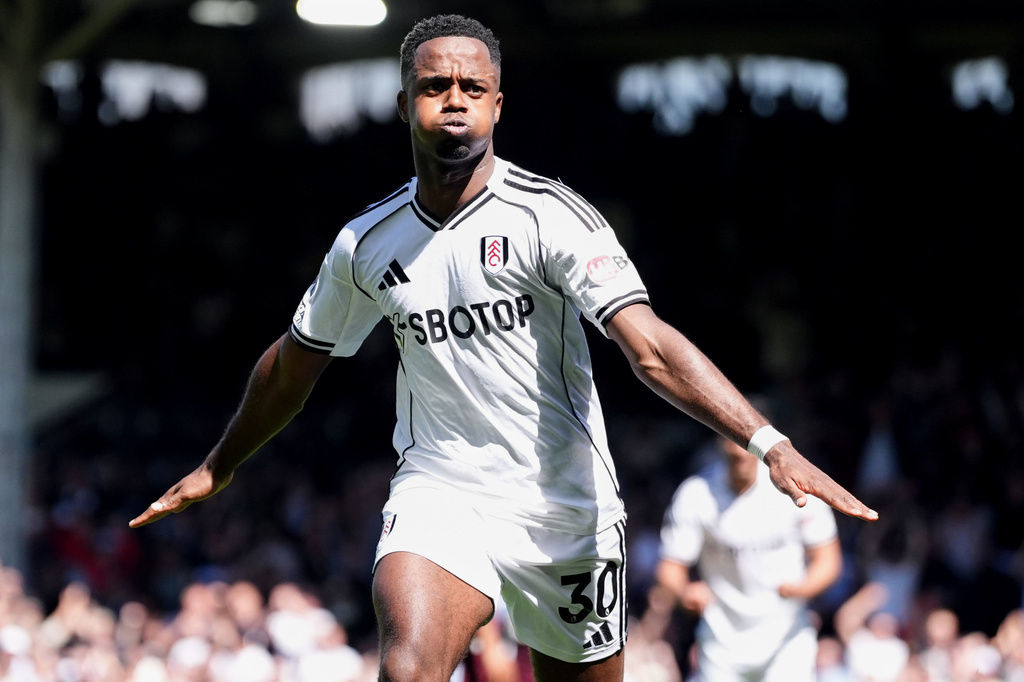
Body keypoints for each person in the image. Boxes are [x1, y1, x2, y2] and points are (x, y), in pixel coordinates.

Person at [128, 14, 877, 682]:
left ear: (496, 105)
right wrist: (217, 466)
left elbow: (648, 347)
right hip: (442, 489)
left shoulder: (552, 217)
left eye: (471, 86)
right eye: (434, 85)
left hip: (567, 507)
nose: (453, 98)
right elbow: (293, 364)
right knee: (409, 668)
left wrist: (768, 441)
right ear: (403, 106)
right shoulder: (364, 242)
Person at [651, 429, 844, 682]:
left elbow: (828, 559)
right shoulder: (695, 494)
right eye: (732, 447)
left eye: (746, 450)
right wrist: (685, 592)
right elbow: (670, 568)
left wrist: (803, 588)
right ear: (720, 444)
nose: (739, 456)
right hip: (721, 643)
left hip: (787, 638)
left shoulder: (792, 488)